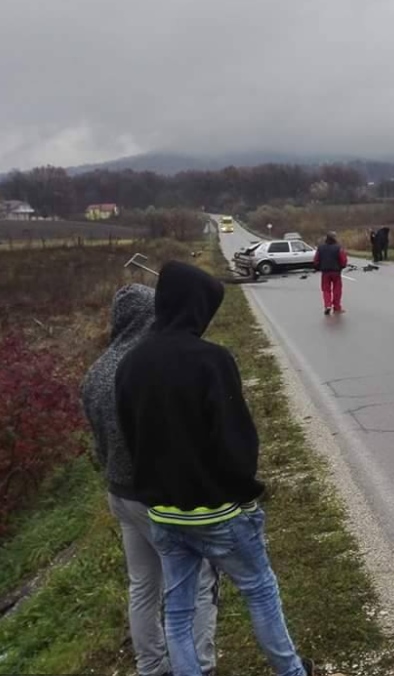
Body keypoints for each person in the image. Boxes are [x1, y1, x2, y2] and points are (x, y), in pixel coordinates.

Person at [115, 261, 314, 676]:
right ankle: (291, 671)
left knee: (180, 609)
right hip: (220, 511)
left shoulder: (130, 364)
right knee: (260, 590)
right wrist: (244, 493)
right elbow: (235, 439)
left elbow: (132, 439)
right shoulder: (211, 360)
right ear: (194, 307)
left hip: (163, 515)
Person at [81, 283, 220, 676]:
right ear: (149, 316)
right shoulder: (145, 367)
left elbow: (99, 446)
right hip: (155, 495)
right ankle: (198, 666)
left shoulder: (96, 371)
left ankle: (151, 666)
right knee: (198, 577)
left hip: (119, 493)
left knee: (143, 586)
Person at [313, 231, 348, 315]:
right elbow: (343, 259)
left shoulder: (321, 248)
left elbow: (316, 259)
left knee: (326, 290)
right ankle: (337, 307)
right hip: (336, 272)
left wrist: (317, 267)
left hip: (325, 272)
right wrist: (342, 266)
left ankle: (327, 305)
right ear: (334, 238)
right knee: (337, 290)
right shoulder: (338, 247)